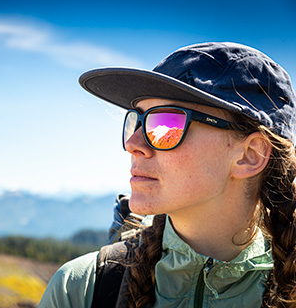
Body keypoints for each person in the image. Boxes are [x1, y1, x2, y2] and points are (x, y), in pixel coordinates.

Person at [38, 42, 296, 308]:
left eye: (165, 124)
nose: (133, 144)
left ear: (250, 155)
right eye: (136, 121)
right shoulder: (80, 288)